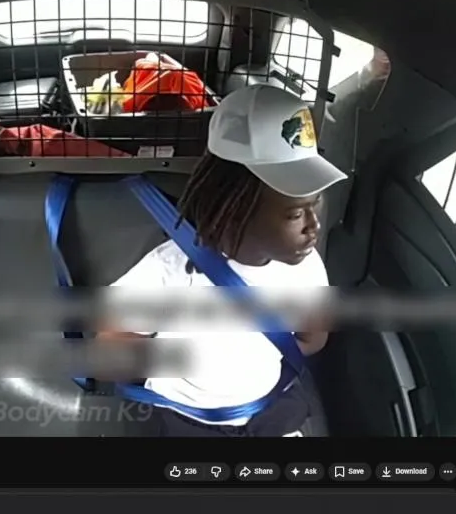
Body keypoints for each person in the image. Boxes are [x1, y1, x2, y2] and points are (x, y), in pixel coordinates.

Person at [100, 84, 348, 437]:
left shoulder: (309, 267)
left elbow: (313, 337)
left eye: (316, 203)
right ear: (238, 208)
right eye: (295, 214)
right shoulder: (172, 270)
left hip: (266, 418)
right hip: (185, 422)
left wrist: (245, 359)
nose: (314, 226)